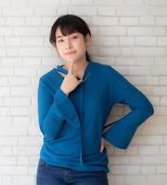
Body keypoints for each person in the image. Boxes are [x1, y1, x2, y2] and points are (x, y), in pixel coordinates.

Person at [36, 14, 154, 185]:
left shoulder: (105, 76)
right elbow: (49, 132)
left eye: (74, 37)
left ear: (87, 39)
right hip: (50, 169)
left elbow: (144, 107)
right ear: (55, 46)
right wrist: (63, 92)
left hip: (90, 170)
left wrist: (110, 137)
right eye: (61, 40)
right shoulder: (47, 81)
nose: (68, 45)